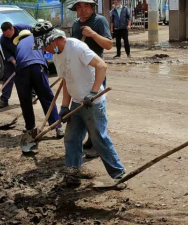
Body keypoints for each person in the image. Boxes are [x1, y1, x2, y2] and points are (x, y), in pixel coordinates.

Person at [42, 28, 125, 187]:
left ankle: (119, 174)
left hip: (93, 103)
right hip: (76, 103)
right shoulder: (57, 56)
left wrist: (93, 92)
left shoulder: (76, 47)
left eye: (46, 47)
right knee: (71, 138)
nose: (45, 50)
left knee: (98, 139)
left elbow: (101, 66)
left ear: (54, 41)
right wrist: (64, 106)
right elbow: (66, 81)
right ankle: (72, 175)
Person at [70, 0, 112, 158]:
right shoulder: (75, 24)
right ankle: (91, 139)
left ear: (92, 7)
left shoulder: (99, 21)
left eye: (86, 6)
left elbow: (108, 45)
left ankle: (98, 145)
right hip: (80, 72)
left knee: (97, 109)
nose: (83, 10)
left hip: (96, 72)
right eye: (79, 7)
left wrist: (93, 34)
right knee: (85, 107)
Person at [12, 22, 62, 143]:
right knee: (47, 97)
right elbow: (45, 54)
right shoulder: (37, 38)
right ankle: (57, 127)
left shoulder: (19, 44)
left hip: (21, 70)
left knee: (25, 101)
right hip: (37, 67)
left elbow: (19, 61)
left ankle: (30, 128)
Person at [0, 21, 18, 108]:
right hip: (12, 59)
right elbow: (8, 55)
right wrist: (15, 63)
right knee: (7, 77)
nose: (7, 36)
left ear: (12, 29)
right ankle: (4, 100)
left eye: (8, 34)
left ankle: (32, 96)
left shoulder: (20, 30)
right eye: (5, 34)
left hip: (24, 57)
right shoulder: (3, 40)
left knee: (27, 77)